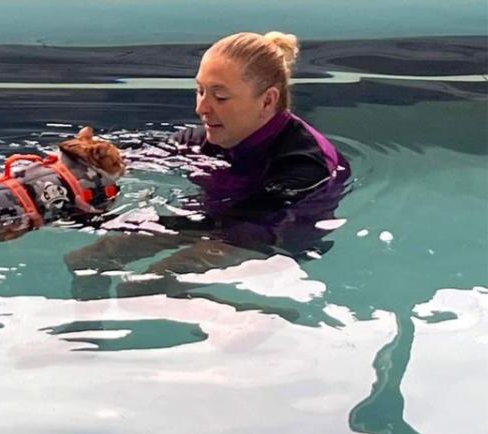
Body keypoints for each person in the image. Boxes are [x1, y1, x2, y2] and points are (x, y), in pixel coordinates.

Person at [66, 31, 351, 298]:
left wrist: (113, 222)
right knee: (86, 260)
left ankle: (243, 316)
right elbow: (141, 156)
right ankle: (84, 342)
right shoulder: (213, 136)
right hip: (215, 216)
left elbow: (244, 220)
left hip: (270, 236)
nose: (201, 108)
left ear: (268, 101)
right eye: (200, 91)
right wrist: (90, 159)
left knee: (145, 286)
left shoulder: (303, 164)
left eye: (220, 96)